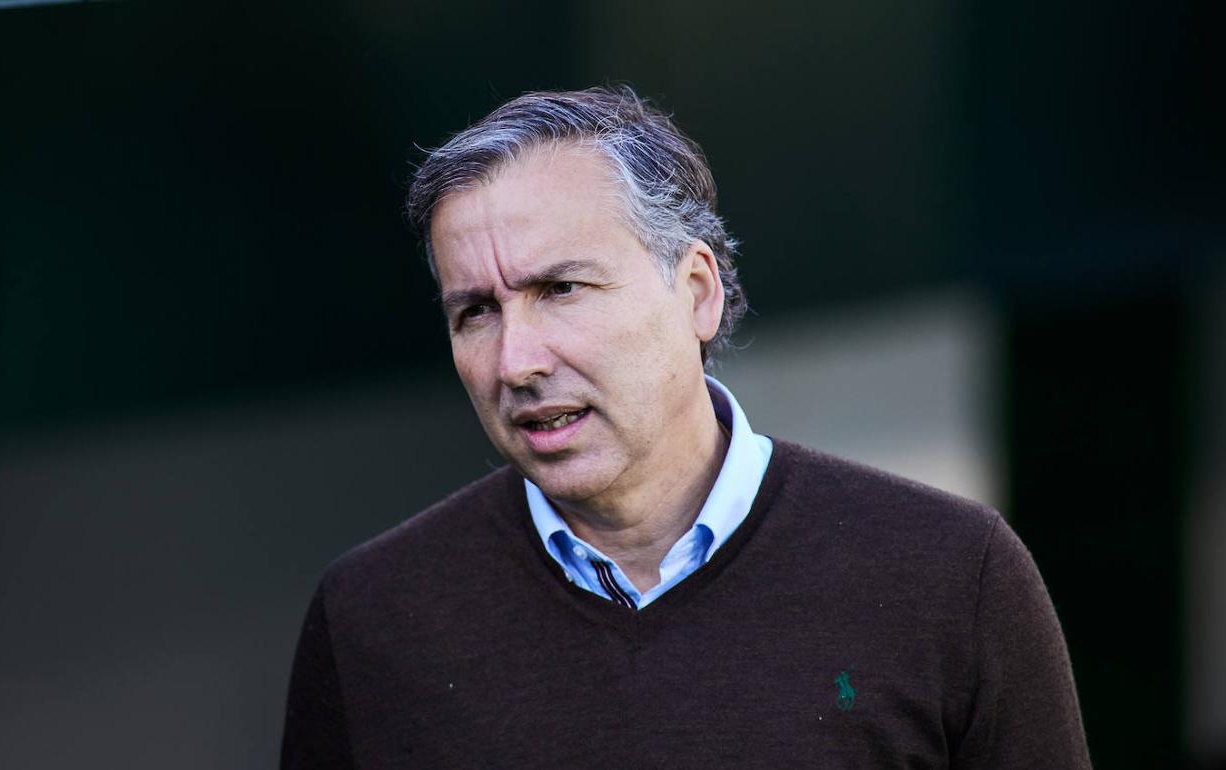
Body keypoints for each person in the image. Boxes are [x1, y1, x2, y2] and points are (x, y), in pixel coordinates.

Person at [280, 86, 1091, 768]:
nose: (516, 361)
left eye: (561, 288)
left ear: (696, 291)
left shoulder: (950, 576)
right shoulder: (374, 619)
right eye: (476, 312)